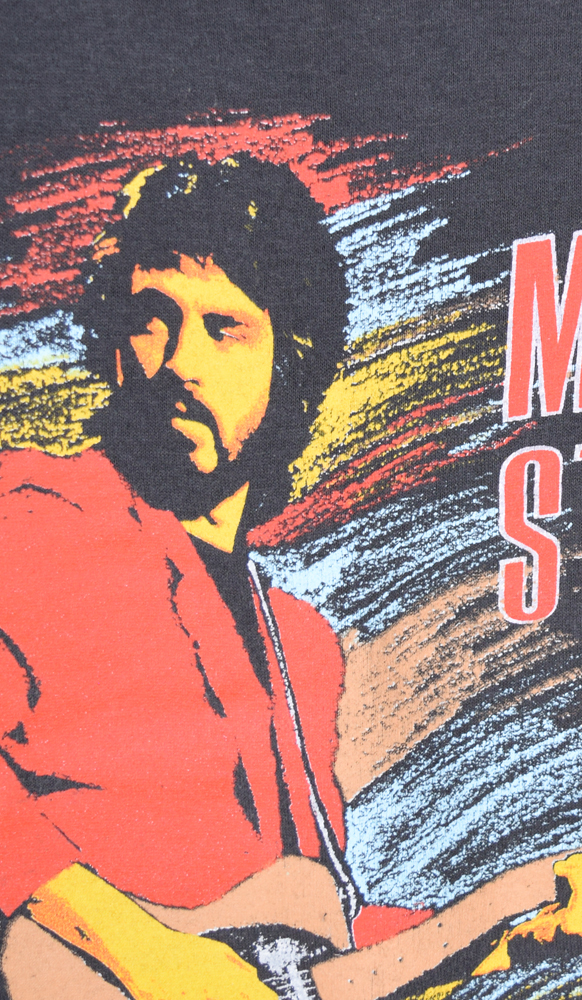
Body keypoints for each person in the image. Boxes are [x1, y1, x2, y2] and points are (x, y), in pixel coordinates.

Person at [0, 156, 402, 999]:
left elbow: (301, 944)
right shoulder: (33, 519)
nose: (181, 361)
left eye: (224, 328)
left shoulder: (302, 650)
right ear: (116, 348)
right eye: (152, 320)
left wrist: (510, 921)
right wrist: (143, 954)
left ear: (289, 365)